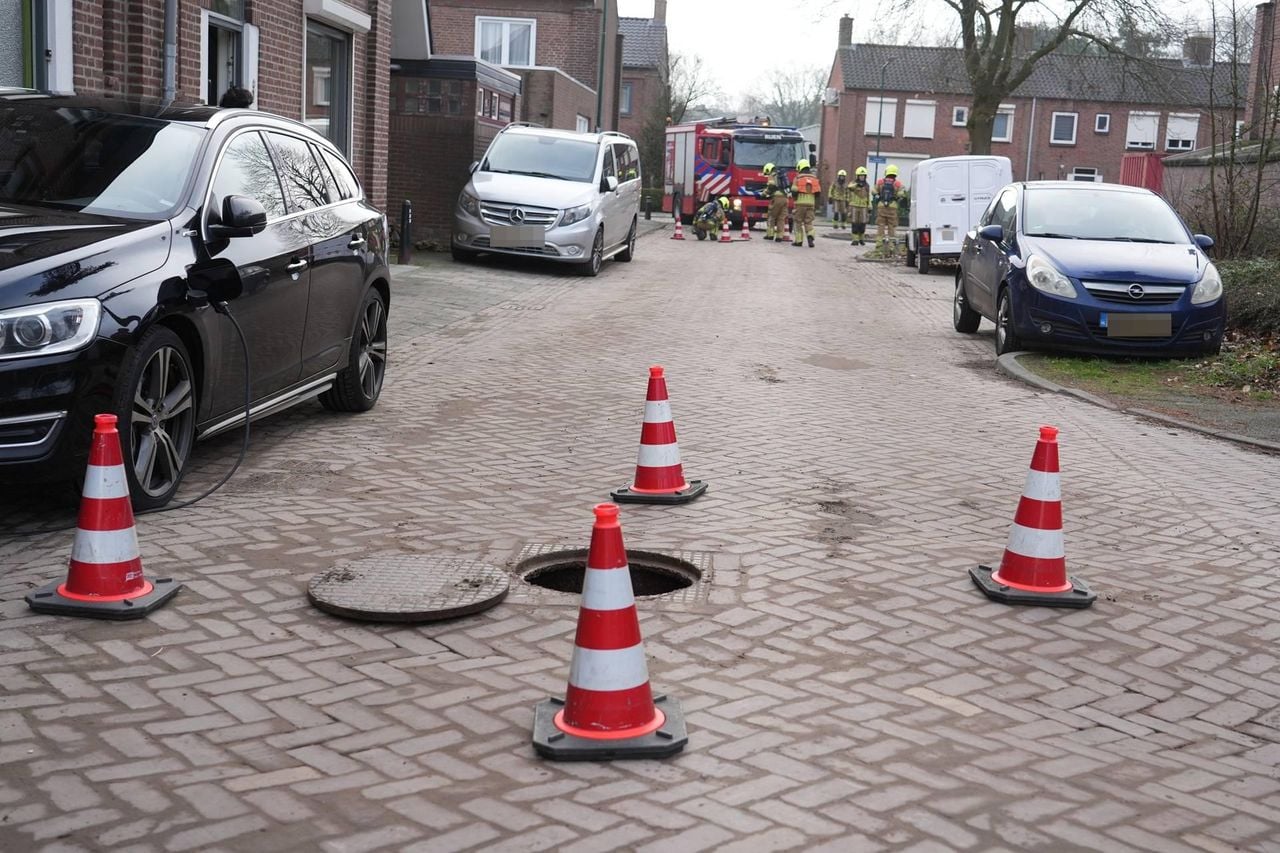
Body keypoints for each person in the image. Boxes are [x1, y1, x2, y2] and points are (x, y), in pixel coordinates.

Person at [790, 159, 821, 248]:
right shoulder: (814, 178)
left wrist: (795, 198)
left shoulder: (798, 178)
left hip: (800, 203)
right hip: (811, 204)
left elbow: (794, 190)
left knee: (798, 222)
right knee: (809, 222)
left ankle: (798, 241)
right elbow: (818, 193)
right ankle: (810, 236)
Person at [874, 164, 904, 253]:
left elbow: (874, 191)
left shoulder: (880, 182)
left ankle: (879, 245)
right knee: (892, 226)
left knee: (881, 225)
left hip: (881, 206)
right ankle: (891, 245)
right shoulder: (897, 184)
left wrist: (877, 195)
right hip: (892, 207)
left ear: (886, 172)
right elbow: (901, 193)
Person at [761, 163, 789, 242]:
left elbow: (771, 187)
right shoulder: (781, 176)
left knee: (771, 216)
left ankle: (770, 235)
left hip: (776, 198)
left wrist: (764, 194)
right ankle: (779, 236)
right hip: (785, 198)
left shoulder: (772, 176)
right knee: (781, 218)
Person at [849, 166, 871, 246]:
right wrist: (857, 185)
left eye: (863, 176)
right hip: (854, 206)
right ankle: (855, 240)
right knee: (855, 223)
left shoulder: (867, 186)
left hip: (863, 207)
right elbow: (849, 187)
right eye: (860, 176)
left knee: (862, 224)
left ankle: (861, 239)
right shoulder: (853, 183)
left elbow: (868, 196)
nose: (862, 177)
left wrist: (869, 206)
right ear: (857, 176)